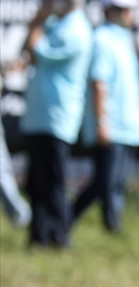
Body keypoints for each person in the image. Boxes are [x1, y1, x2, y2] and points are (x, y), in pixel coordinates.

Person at [9, 0, 92, 249]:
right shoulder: (59, 24)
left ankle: (59, 237)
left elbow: (37, 51)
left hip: (57, 117)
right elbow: (30, 54)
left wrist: (37, 20)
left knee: (53, 182)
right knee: (36, 181)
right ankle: (40, 236)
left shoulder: (76, 30)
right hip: (40, 116)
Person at [70, 0, 139, 235]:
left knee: (115, 183)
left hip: (127, 127)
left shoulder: (124, 38)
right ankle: (70, 219)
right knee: (104, 183)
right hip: (111, 127)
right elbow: (99, 82)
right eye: (125, 9)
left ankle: (110, 226)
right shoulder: (102, 39)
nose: (130, 14)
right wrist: (102, 123)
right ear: (109, 11)